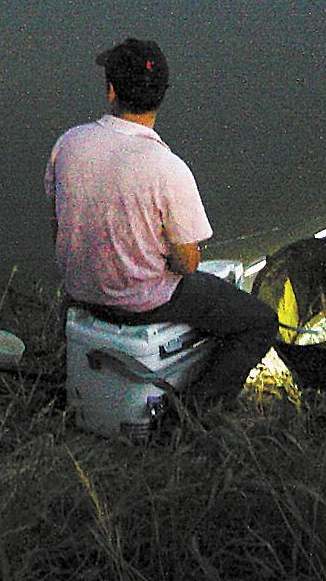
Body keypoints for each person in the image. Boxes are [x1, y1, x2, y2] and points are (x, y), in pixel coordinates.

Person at [46, 37, 277, 410]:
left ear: (111, 92)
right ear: (162, 96)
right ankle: (194, 413)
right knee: (259, 322)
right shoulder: (168, 169)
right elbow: (187, 263)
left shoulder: (69, 144)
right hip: (143, 303)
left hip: (79, 290)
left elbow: (59, 225)